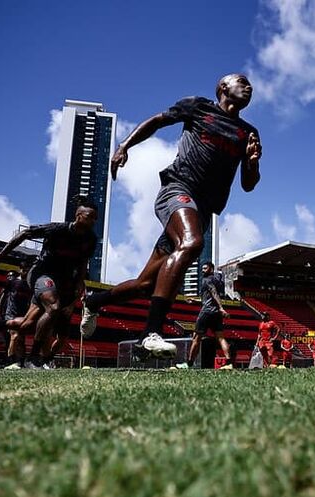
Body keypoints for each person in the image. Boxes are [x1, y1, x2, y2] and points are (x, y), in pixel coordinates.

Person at [79, 73, 261, 359]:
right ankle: (149, 335)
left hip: (199, 208)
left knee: (145, 285)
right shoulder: (198, 106)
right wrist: (123, 146)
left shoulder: (248, 132)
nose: (249, 87)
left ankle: (94, 301)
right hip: (177, 190)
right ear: (223, 87)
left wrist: (252, 162)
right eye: (242, 81)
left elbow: (248, 185)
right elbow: (156, 121)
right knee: (192, 243)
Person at [0, 196, 98, 367]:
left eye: (95, 217)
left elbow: (84, 262)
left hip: (62, 281)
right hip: (41, 274)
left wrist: (78, 283)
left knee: (29, 324)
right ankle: (34, 358)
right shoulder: (57, 229)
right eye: (90, 216)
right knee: (53, 306)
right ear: (78, 215)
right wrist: (1, 256)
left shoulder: (90, 239)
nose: (93, 220)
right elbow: (24, 233)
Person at [179, 262, 232, 369]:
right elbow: (210, 298)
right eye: (202, 268)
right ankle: (229, 363)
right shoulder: (218, 280)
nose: (203, 270)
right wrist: (197, 301)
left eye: (205, 268)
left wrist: (221, 307)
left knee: (196, 338)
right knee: (220, 337)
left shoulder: (207, 280)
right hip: (216, 313)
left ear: (211, 269)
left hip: (207, 312)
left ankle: (189, 364)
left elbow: (213, 293)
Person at [0, 262, 34, 369]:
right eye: (26, 269)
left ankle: (22, 363)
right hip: (10, 314)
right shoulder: (12, 282)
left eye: (29, 270)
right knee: (15, 335)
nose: (27, 272)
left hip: (23, 315)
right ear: (21, 269)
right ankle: (10, 362)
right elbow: (3, 296)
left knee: (21, 339)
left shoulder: (30, 284)